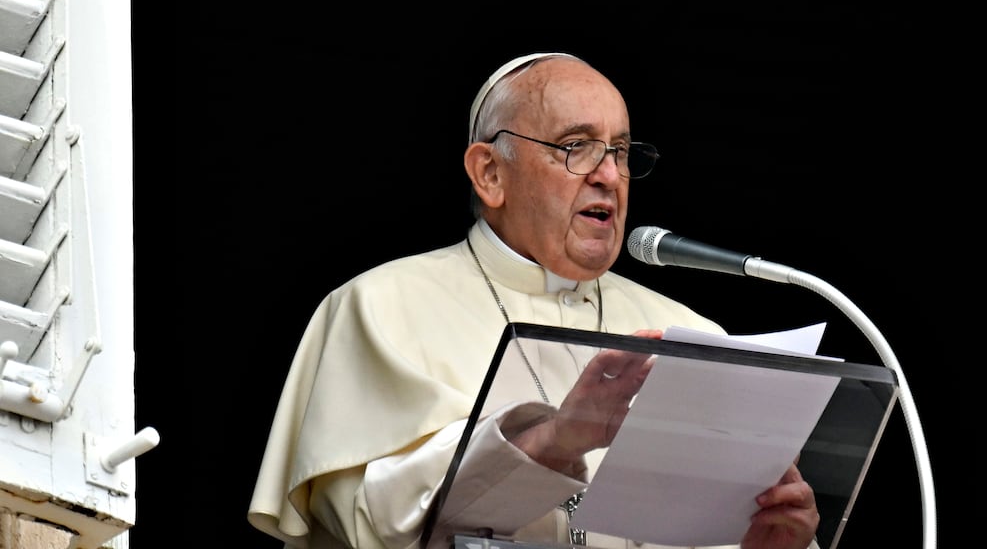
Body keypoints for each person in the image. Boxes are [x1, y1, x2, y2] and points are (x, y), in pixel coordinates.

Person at [247, 52, 821, 549]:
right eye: (575, 146)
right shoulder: (377, 305)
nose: (608, 175)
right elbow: (369, 524)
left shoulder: (690, 332)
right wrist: (551, 440)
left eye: (620, 152)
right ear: (490, 173)